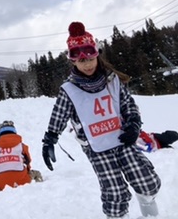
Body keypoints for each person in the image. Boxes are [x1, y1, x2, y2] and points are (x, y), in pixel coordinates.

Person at [42, 22, 162, 219]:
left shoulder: (112, 80)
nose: (87, 64)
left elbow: (128, 105)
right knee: (115, 192)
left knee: (146, 181)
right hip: (97, 147)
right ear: (73, 62)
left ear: (97, 55)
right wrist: (50, 139)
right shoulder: (69, 90)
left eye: (90, 58)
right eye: (81, 61)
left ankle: (148, 207)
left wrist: (133, 123)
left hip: (122, 139)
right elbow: (59, 114)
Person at [0, 120, 42, 193]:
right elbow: (28, 161)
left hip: (1, 183)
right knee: (36, 173)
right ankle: (40, 188)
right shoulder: (22, 146)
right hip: (22, 181)